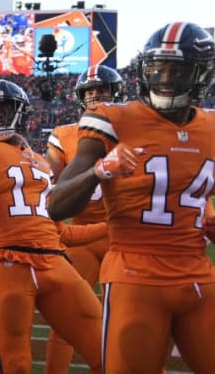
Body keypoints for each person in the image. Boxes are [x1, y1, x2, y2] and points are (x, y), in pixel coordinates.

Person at [48, 22, 215, 374]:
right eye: (157, 68)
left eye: (178, 69)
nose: (165, 78)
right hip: (134, 276)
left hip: (198, 275)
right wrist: (99, 171)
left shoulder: (211, 127)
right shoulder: (113, 119)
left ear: (202, 74)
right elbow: (55, 205)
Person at [0, 79, 103, 374]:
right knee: (16, 365)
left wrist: (110, 228)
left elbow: (60, 232)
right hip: (9, 262)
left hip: (55, 260)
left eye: (5, 107)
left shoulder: (40, 161)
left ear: (22, 111)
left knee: (106, 351)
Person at [43, 64, 124, 374]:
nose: (95, 95)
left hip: (121, 235)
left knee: (126, 318)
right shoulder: (64, 134)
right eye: (89, 91)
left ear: (116, 93)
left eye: (101, 91)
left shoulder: (132, 128)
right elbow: (53, 185)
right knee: (70, 317)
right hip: (80, 234)